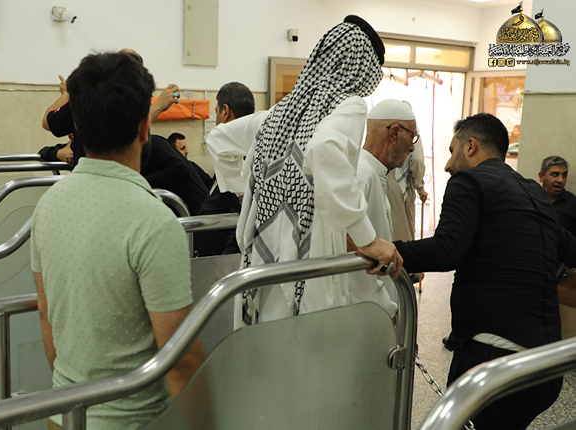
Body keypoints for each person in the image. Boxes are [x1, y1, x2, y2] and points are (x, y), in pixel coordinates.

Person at [31, 51, 205, 430]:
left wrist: (73, 394)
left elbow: (47, 317)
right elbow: (181, 360)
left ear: (78, 126)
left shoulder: (47, 206)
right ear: (145, 128)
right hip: (134, 421)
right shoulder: (154, 221)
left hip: (62, 414)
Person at [216, 17, 402, 328]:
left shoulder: (280, 112)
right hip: (309, 263)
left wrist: (252, 189)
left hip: (263, 263)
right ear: (361, 67)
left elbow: (219, 140)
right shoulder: (350, 106)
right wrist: (368, 240)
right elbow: (326, 148)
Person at [395, 113, 576, 430]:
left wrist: (391, 250)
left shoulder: (469, 182)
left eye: (452, 151)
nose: (447, 165)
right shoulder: (534, 192)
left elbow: (448, 249)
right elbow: (570, 248)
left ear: (471, 146)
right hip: (546, 365)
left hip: (494, 364)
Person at [41, 49, 181, 167]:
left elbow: (49, 122)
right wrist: (158, 106)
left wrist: (67, 94)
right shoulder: (91, 96)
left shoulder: (86, 96)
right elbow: (131, 128)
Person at [346, 99, 418, 318]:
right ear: (395, 132)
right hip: (363, 311)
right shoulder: (363, 174)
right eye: (412, 137)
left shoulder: (374, 173)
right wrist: (386, 308)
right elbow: (347, 240)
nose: (412, 147)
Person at [196, 81, 256, 256]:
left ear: (225, 111)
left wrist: (227, 258)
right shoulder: (243, 150)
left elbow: (241, 210)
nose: (216, 119)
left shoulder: (238, 157)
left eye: (216, 112)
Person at [539, 155, 576, 238]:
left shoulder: (572, 203)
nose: (560, 180)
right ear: (541, 176)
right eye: (555, 174)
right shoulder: (531, 198)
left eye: (564, 175)